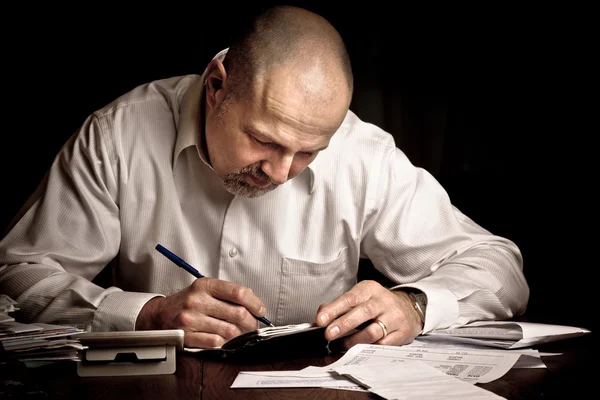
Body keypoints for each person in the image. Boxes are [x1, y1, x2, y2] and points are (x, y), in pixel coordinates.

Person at [0, 5, 529, 350]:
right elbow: (16, 272)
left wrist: (414, 304)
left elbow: (498, 266)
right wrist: (146, 314)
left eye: (308, 153)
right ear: (216, 86)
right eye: (265, 140)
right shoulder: (117, 137)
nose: (279, 172)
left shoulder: (361, 153)